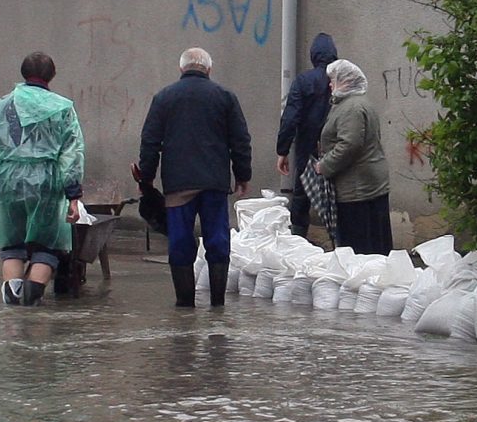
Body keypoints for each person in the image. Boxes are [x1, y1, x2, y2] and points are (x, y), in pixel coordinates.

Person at [134, 46, 252, 308]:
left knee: (180, 240)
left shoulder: (164, 97)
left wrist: (147, 178)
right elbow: (240, 139)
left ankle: (184, 302)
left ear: (181, 69)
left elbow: (150, 141)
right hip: (214, 183)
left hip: (178, 185)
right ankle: (217, 302)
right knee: (218, 239)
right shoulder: (224, 96)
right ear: (208, 69)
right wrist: (242, 174)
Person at [0, 51, 86, 306]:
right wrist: (73, 196)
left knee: (12, 243)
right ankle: (33, 297)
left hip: (6, 181)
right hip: (46, 181)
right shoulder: (63, 109)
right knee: (47, 245)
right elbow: (71, 153)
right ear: (51, 75)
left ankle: (13, 302)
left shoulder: (1, 106)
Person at [312, 59, 393, 255]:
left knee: (360, 247)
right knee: (377, 243)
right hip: (367, 183)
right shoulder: (355, 103)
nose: (330, 84)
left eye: (333, 80)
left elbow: (350, 145)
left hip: (358, 189)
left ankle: (364, 281)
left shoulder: (352, 108)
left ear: (346, 81)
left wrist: (325, 165)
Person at [275, 32, 338, 238]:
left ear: (313, 55)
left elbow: (290, 118)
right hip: (337, 146)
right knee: (339, 192)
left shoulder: (304, 81)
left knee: (302, 192)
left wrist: (282, 151)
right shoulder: (340, 79)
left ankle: (298, 238)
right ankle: (341, 242)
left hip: (308, 144)